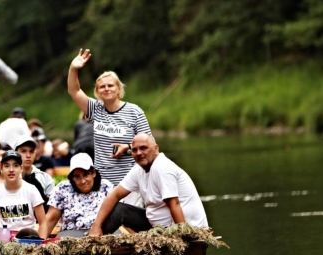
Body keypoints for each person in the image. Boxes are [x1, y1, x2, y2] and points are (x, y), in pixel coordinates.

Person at [89, 133, 209, 235]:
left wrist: (183, 239)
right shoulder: (139, 169)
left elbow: (174, 204)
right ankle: (93, 238)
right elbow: (114, 195)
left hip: (183, 228)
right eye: (134, 150)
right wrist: (96, 225)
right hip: (157, 227)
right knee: (120, 209)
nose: (139, 153)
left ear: (156, 148)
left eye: (143, 148)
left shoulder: (161, 167)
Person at [67, 48, 152, 187]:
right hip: (103, 183)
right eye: (102, 87)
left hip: (130, 182)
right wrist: (73, 68)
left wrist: (128, 147)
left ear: (119, 89)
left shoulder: (134, 112)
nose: (106, 89)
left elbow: (150, 144)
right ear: (97, 92)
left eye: (110, 85)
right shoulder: (95, 109)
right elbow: (74, 91)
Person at [43, 153, 114, 237]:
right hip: (71, 235)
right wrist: (37, 244)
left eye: (86, 175)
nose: (83, 181)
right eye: (77, 177)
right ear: (72, 178)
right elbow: (50, 219)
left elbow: (118, 215)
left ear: (93, 173)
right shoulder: (63, 189)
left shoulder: (106, 186)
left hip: (102, 233)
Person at [0, 150, 48, 242]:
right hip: (4, 240)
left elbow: (43, 223)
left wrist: (41, 246)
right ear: (1, 168)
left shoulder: (31, 190)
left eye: (15, 165)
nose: (11, 170)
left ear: (21, 168)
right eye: (6, 166)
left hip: (28, 239)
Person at [14, 135, 55, 201]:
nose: (28, 155)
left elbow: (52, 206)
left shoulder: (45, 178)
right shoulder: (8, 178)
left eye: (31, 151)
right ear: (15, 153)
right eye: (23, 151)